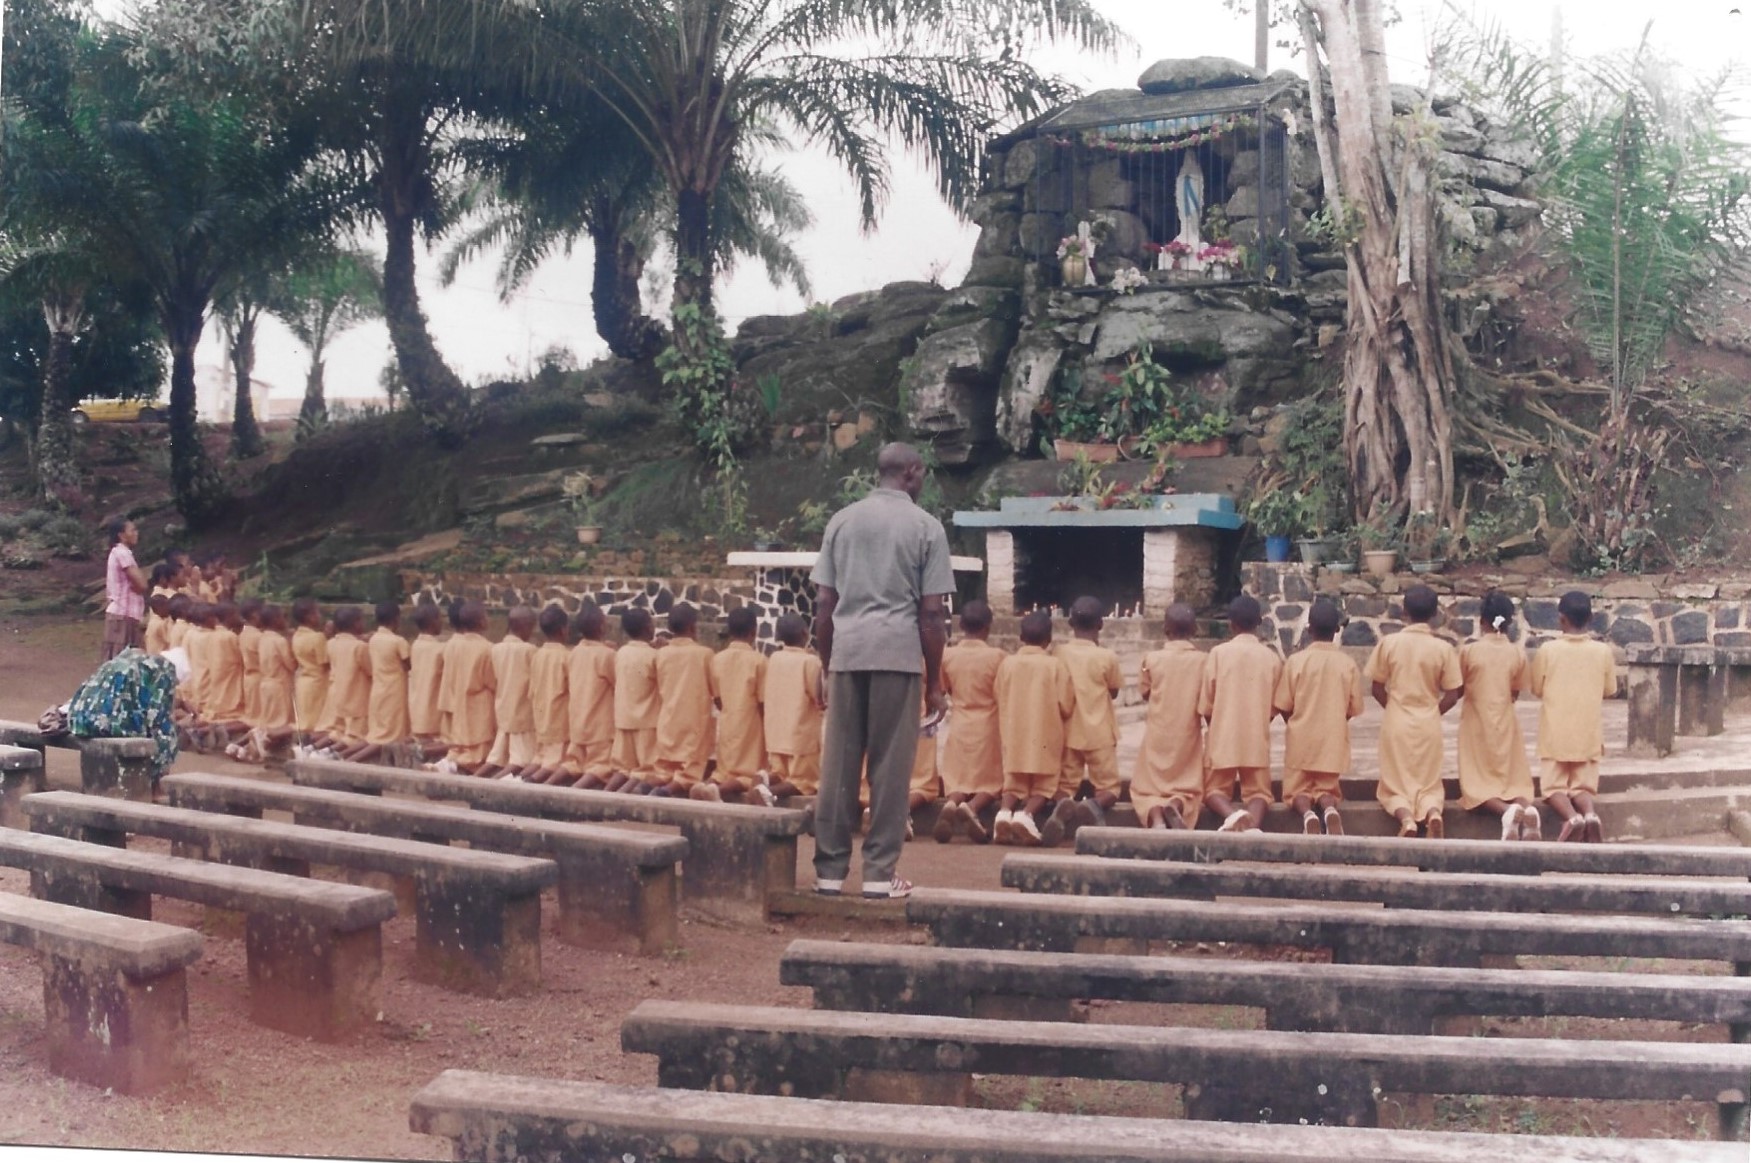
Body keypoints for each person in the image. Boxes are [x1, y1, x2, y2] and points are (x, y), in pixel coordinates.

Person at [810, 443, 953, 900]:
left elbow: (824, 604)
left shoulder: (842, 521)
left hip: (847, 653)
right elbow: (931, 614)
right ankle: (878, 873)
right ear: (910, 472)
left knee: (838, 764)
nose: (923, 479)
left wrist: (827, 664)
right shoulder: (926, 528)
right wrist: (934, 681)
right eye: (923, 472)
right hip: (897, 654)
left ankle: (829, 872)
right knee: (890, 768)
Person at [1367, 584, 1464, 838]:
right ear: (1435, 614)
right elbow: (1453, 694)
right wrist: (1432, 712)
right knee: (1428, 781)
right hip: (1428, 722)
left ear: (1404, 612)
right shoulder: (1443, 649)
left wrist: (1394, 709)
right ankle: (1432, 813)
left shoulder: (1389, 643)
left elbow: (1376, 688)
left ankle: (1407, 819)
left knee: (1394, 783)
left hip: (1397, 721)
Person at [1530, 591, 1618, 843]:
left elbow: (1536, 688)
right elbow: (1610, 690)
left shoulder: (1548, 650)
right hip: (1588, 733)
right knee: (1582, 787)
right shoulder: (1602, 651)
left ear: (1561, 619)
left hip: (1555, 733)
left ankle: (1571, 818)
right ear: (1590, 618)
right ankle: (1590, 815)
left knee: (1553, 788)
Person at [1274, 599, 1365, 836]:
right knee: (1327, 789)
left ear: (1309, 629)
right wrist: (1336, 719)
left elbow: (1283, 704)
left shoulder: (1296, 662)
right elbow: (1354, 707)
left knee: (1296, 791)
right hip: (1332, 739)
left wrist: (1295, 722)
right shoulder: (1347, 664)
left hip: (1301, 738)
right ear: (1336, 630)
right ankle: (1329, 809)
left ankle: (1307, 814)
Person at [1458, 591, 1539, 841]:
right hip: (1505, 720)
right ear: (1509, 623)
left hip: (1475, 723)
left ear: (1482, 620)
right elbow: (1515, 691)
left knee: (1476, 783)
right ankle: (1527, 808)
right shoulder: (1516, 653)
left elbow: (1458, 687)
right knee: (1513, 779)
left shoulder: (1468, 652)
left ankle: (1505, 812)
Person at [1201, 596, 1283, 833]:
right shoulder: (1271, 658)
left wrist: (1216, 728)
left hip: (1223, 737)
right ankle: (1252, 827)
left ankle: (1232, 815)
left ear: (1231, 624)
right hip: (1255, 738)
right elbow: (1275, 706)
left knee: (1213, 791)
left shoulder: (1218, 654)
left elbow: (1207, 704)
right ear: (1259, 623)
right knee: (1259, 793)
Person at [1046, 596, 1124, 846]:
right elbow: (1114, 691)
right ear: (1100, 624)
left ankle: (1063, 805)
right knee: (1110, 788)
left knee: (1065, 784)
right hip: (1100, 733)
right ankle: (1093, 805)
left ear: (1070, 623)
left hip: (1069, 732)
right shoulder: (1107, 656)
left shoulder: (1059, 652)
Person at [993, 610, 1076, 846]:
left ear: (1020, 637)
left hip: (1013, 733)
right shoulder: (1055, 666)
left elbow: (998, 694)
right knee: (1045, 782)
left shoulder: (1007, 664)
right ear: (1049, 640)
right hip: (1045, 734)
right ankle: (1026, 814)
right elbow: (1066, 704)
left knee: (1014, 780)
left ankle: (1004, 813)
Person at [1133, 604, 1208, 830]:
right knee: (1188, 785)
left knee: (1146, 788)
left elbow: (1145, 692)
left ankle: (1156, 817)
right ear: (1194, 630)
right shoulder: (1204, 660)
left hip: (1158, 733)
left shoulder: (1151, 659)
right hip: (1187, 733)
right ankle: (1176, 804)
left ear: (1165, 629)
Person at [935, 600, 1004, 844]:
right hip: (988, 725)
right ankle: (973, 807)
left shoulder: (948, 655)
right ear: (988, 628)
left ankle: (952, 803)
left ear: (961, 625)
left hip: (960, 722)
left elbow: (942, 689)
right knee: (992, 781)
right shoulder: (997, 657)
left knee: (959, 778)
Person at [699, 606, 766, 803]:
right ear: (754, 632)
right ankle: (718, 792)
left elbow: (717, 698)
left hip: (727, 720)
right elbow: (763, 702)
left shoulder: (717, 659)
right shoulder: (760, 661)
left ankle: (707, 786)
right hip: (751, 724)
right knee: (747, 774)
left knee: (723, 770)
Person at [652, 604, 716, 797]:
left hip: (668, 720)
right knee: (689, 772)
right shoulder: (705, 654)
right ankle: (665, 792)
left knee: (664, 769)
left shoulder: (661, 653)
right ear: (692, 627)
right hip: (693, 723)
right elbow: (715, 689)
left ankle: (647, 787)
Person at [342, 601, 412, 766]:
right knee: (386, 737)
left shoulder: (373, 639)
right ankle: (347, 761)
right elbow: (408, 665)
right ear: (396, 619)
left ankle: (340, 755)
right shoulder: (398, 641)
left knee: (376, 734)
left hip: (378, 689)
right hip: (394, 691)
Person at [763, 613, 824, 798]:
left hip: (776, 736)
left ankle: (761, 780)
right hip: (801, 738)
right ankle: (767, 793)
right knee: (804, 781)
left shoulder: (774, 658)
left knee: (780, 774)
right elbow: (819, 697)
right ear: (805, 633)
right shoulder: (810, 662)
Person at [431, 601, 496, 774]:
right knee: (478, 749)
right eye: (486, 615)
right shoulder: (487, 649)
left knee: (460, 742)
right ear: (481, 622)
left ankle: (448, 764)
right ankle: (456, 767)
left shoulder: (452, 645)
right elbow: (492, 681)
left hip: (458, 698)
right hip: (479, 703)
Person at [563, 603, 617, 789]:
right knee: (600, 767)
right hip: (599, 727)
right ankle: (574, 794)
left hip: (577, 724)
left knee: (573, 764)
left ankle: (543, 786)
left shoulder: (574, 653)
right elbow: (617, 681)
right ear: (602, 627)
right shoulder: (608, 655)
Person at [481, 606, 537, 779]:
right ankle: (492, 784)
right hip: (523, 714)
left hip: (503, 711)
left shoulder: (496, 649)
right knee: (522, 761)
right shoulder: (530, 650)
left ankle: (472, 780)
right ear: (525, 626)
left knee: (496, 758)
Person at [608, 608, 660, 792]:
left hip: (624, 719)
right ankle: (628, 798)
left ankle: (607, 796)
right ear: (647, 628)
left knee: (622, 768)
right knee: (646, 770)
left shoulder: (621, 652)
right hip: (646, 721)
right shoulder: (654, 656)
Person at [521, 604, 573, 783]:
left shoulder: (538, 654)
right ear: (563, 630)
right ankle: (531, 782)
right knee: (553, 762)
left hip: (541, 714)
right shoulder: (566, 657)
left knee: (541, 757)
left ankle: (517, 779)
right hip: (559, 718)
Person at [314, 606, 371, 753]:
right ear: (355, 623)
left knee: (338, 731)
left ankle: (313, 749)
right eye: (361, 620)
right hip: (357, 697)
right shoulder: (360, 647)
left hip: (338, 694)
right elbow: (370, 670)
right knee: (355, 736)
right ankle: (330, 755)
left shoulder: (331, 643)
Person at [102, 517, 148, 661]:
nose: (136, 533)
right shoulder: (122, 553)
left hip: (125, 615)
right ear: (121, 535)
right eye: (132, 530)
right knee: (121, 661)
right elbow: (142, 584)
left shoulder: (119, 552)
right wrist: (139, 585)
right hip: (123, 614)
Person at [407, 603, 448, 758]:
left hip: (416, 704)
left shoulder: (415, 645)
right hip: (432, 706)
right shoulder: (440, 649)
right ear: (433, 621)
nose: (442, 622)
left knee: (420, 737)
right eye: (440, 618)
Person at [290, 598, 330, 737]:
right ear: (309, 616)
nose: (320, 616)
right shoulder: (318, 637)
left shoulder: (296, 635)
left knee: (304, 723)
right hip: (317, 684)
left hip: (303, 683)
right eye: (317, 612)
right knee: (316, 725)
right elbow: (324, 662)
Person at [238, 598, 265, 726]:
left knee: (253, 716)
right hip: (259, 679)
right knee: (258, 720)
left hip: (249, 679)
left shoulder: (243, 634)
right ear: (255, 615)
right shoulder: (259, 637)